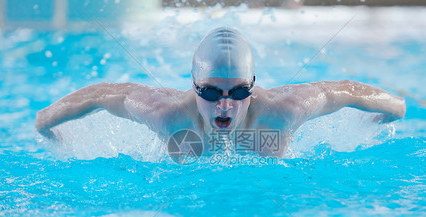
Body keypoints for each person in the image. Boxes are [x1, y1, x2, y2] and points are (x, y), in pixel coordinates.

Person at [36, 27, 406, 159]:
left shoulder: (283, 111)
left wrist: (393, 107)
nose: (226, 104)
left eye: (240, 91)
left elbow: (340, 90)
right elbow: (103, 94)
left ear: (254, 84)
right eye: (211, 93)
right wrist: (46, 123)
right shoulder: (166, 114)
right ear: (193, 86)